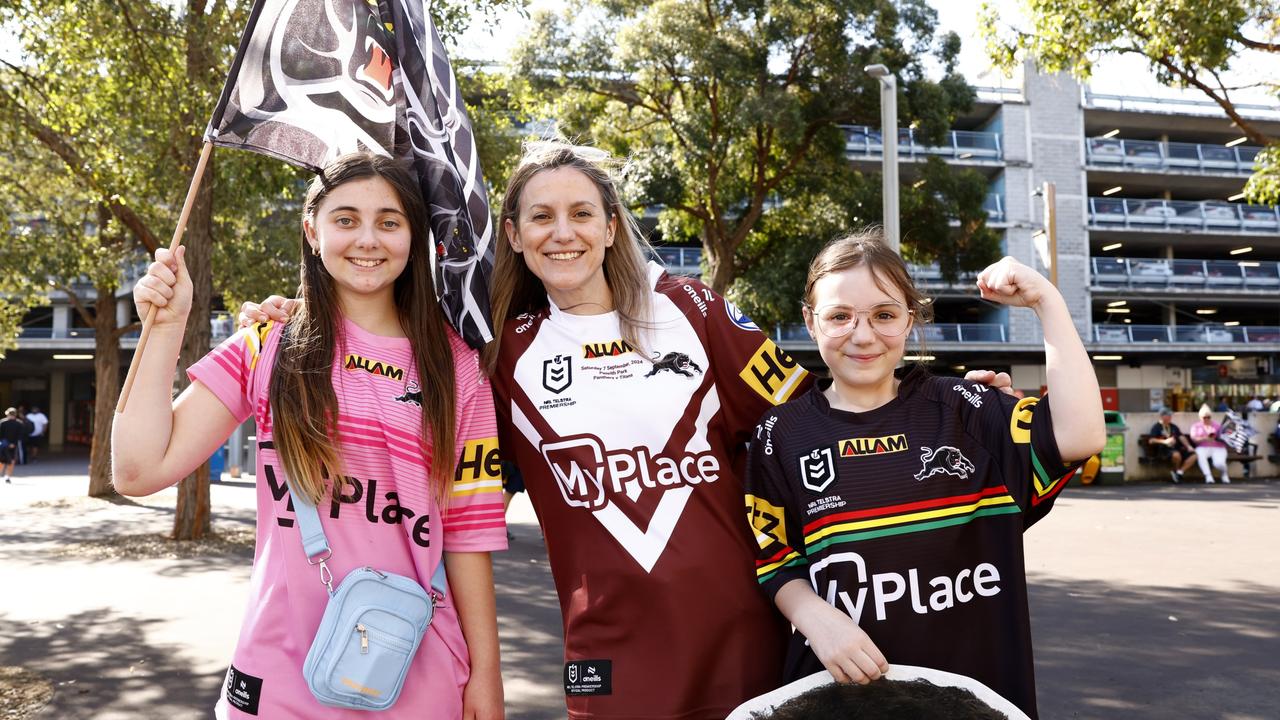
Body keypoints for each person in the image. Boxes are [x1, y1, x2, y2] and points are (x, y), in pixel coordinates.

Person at [241, 141, 1017, 719]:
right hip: (607, 653)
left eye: (582, 213)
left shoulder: (691, 309)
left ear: (612, 226)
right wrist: (297, 322)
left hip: (742, 628)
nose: (562, 232)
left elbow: (811, 416)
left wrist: (935, 405)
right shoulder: (494, 360)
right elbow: (420, 454)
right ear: (512, 235)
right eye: (540, 216)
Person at [112, 153, 507, 719]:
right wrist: (167, 326)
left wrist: (486, 676)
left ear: (414, 236)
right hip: (278, 681)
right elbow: (137, 470)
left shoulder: (456, 365)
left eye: (389, 222)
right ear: (311, 229)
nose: (367, 239)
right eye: (345, 219)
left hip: (424, 675)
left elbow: (469, 533)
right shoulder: (267, 346)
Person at [744, 232, 1105, 719]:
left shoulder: (967, 409)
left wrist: (1047, 301)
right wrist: (813, 617)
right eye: (839, 316)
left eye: (884, 314)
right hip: (841, 697)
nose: (863, 334)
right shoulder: (780, 434)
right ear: (810, 321)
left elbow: (1081, 434)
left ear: (910, 319)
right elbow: (775, 560)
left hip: (980, 698)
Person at [1147, 407, 1196, 483]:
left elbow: (1181, 437)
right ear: (1162, 416)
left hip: (1177, 448)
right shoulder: (1156, 427)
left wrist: (1188, 446)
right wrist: (1165, 441)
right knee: (1176, 455)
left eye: (1170, 415)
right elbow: (1151, 440)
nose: (1170, 417)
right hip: (1165, 450)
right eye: (1168, 415)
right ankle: (1176, 472)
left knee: (1194, 456)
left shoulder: (1173, 426)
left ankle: (1179, 473)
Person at [1189, 404, 1230, 484]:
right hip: (1203, 447)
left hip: (1218, 447)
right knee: (1199, 454)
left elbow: (1224, 437)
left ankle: (1224, 474)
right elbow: (1194, 439)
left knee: (1219, 464)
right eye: (1204, 417)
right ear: (1200, 418)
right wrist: (1205, 438)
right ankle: (1208, 476)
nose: (1207, 419)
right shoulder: (1196, 426)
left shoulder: (1217, 425)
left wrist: (1220, 437)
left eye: (1208, 417)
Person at [0, 408, 23, 482]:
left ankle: (6, 476)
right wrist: (13, 443)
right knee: (10, 461)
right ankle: (7, 476)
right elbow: (20, 435)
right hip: (11, 444)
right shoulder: (19, 423)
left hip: (3, 444)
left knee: (3, 461)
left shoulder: (2, 422)